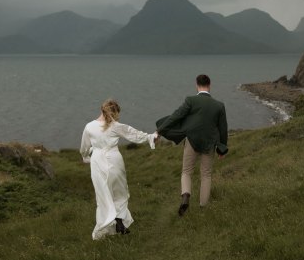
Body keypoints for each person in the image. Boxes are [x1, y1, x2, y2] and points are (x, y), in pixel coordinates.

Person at [80, 99, 157, 240]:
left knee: (103, 194)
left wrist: (86, 157)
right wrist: (150, 137)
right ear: (114, 113)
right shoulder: (115, 126)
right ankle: (120, 222)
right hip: (114, 160)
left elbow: (84, 148)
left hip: (97, 162)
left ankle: (108, 224)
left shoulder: (89, 127)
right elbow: (134, 134)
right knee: (120, 193)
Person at [156, 74, 228, 216]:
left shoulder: (191, 100)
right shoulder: (219, 105)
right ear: (210, 85)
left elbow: (176, 116)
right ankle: (203, 208)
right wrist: (222, 149)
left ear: (197, 85)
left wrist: (160, 130)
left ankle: (186, 196)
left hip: (192, 141)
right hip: (209, 143)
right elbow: (223, 129)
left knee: (186, 171)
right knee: (206, 174)